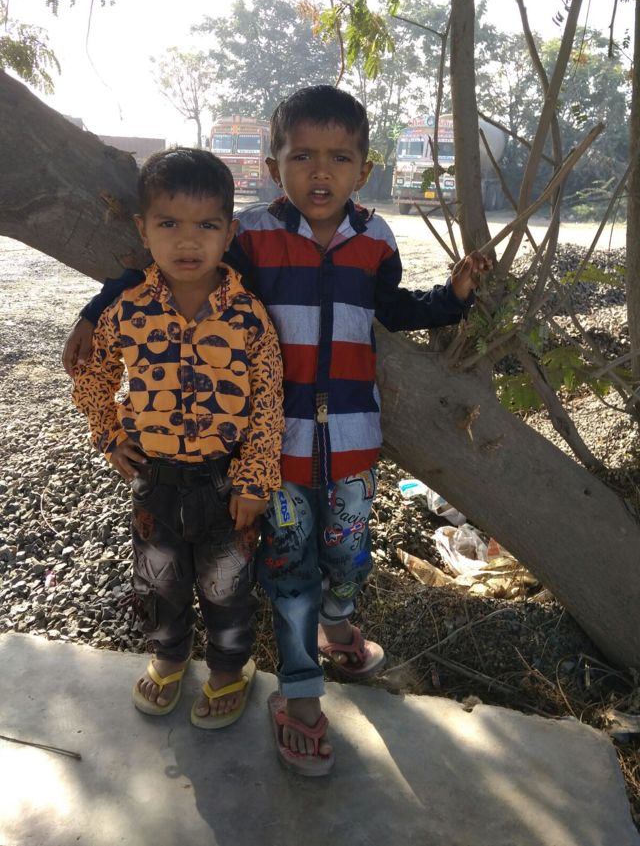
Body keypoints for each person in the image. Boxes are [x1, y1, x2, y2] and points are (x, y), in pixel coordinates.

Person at [64, 86, 491, 773]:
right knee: (289, 570)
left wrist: (454, 297)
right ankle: (300, 698)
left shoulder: (376, 240)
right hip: (276, 451)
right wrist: (96, 310)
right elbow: (167, 275)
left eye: (339, 158)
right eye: (302, 157)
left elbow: (394, 309)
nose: (320, 172)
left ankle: (338, 625)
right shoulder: (252, 236)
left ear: (363, 169)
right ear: (273, 166)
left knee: (348, 559)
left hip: (353, 442)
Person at [71, 148, 284, 729]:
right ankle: (168, 656)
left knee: (227, 584)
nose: (188, 241)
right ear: (143, 230)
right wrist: (108, 434)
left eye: (206, 226)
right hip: (154, 481)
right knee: (159, 578)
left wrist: (255, 481)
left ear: (229, 233)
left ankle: (228, 669)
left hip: (226, 483)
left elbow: (268, 402)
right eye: (169, 224)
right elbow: (94, 373)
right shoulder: (127, 310)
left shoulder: (248, 317)